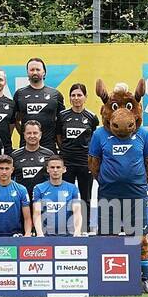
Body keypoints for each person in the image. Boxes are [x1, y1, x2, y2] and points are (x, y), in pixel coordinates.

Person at [89, 80, 148, 294]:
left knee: (139, 238)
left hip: (136, 195)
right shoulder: (99, 134)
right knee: (106, 237)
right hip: (108, 195)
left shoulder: (144, 134)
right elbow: (94, 162)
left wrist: (138, 181)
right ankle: (104, 278)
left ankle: (143, 278)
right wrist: (107, 180)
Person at [57, 83, 100, 223]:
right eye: (73, 95)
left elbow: (94, 139)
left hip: (84, 163)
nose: (76, 98)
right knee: (66, 196)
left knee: (85, 197)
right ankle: (66, 228)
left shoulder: (92, 117)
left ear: (85, 97)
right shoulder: (62, 116)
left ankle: (84, 229)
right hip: (67, 162)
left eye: (79, 95)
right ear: (70, 98)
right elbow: (58, 136)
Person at [12, 57, 65, 150]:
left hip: (49, 146)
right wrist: (25, 134)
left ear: (44, 72)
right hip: (26, 147)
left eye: (38, 69)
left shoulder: (55, 94)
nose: (35, 72)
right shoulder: (19, 94)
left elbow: (62, 122)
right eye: (32, 70)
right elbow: (15, 120)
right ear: (27, 72)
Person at [0, 155, 31, 237]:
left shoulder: (21, 189)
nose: (4, 172)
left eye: (7, 169)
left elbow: (27, 218)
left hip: (16, 236)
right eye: (1, 168)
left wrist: (28, 234)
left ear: (12, 170)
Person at [33, 155, 82, 237]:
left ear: (64, 169)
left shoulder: (72, 188)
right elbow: (37, 213)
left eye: (58, 167)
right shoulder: (39, 188)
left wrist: (77, 231)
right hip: (46, 236)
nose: (55, 170)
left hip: (68, 235)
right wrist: (39, 233)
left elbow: (77, 212)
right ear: (48, 169)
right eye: (52, 167)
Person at [11, 121, 52, 197]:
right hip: (22, 199)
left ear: (40, 135)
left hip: (43, 198)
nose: (32, 136)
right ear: (24, 135)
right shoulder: (15, 155)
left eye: (35, 133)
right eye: (29, 133)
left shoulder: (49, 155)